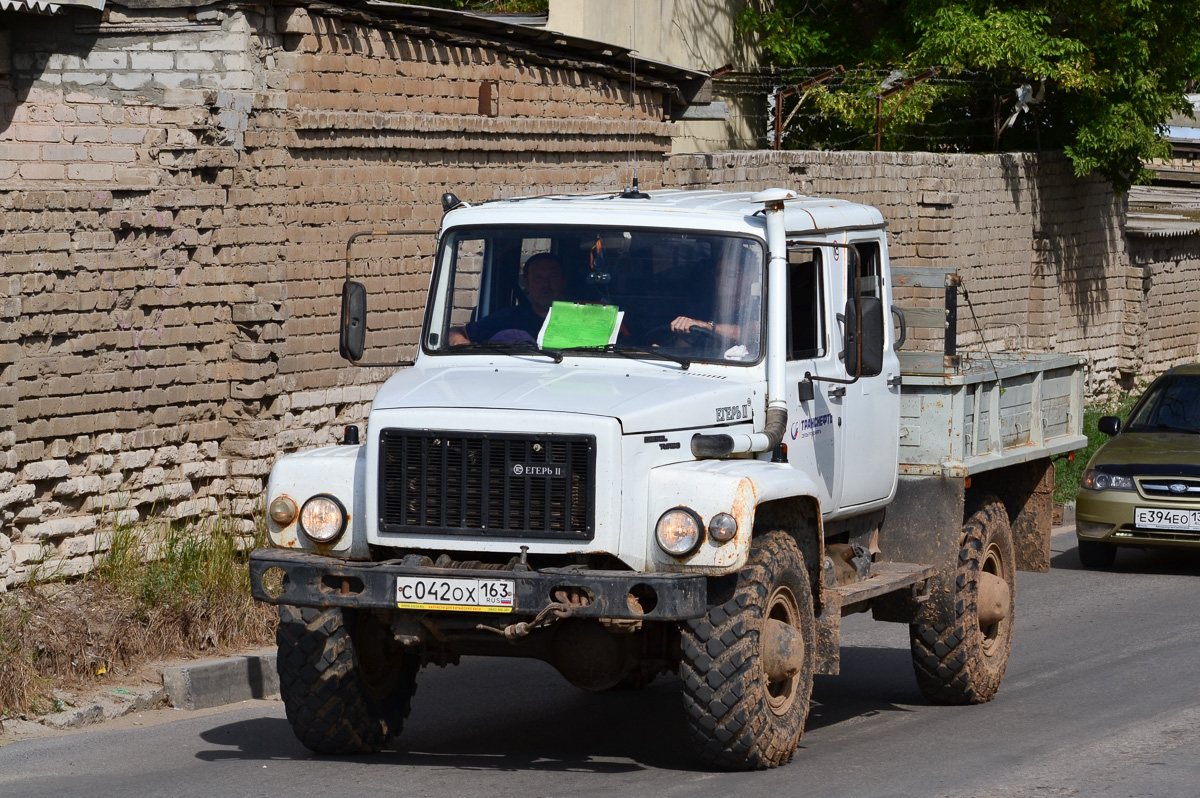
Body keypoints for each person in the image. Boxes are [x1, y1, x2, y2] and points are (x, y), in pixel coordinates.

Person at [448, 253, 566, 345]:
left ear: (562, 282)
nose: (545, 284)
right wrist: (461, 343)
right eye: (538, 277)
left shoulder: (579, 317)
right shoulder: (508, 319)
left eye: (553, 277)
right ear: (527, 283)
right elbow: (456, 332)